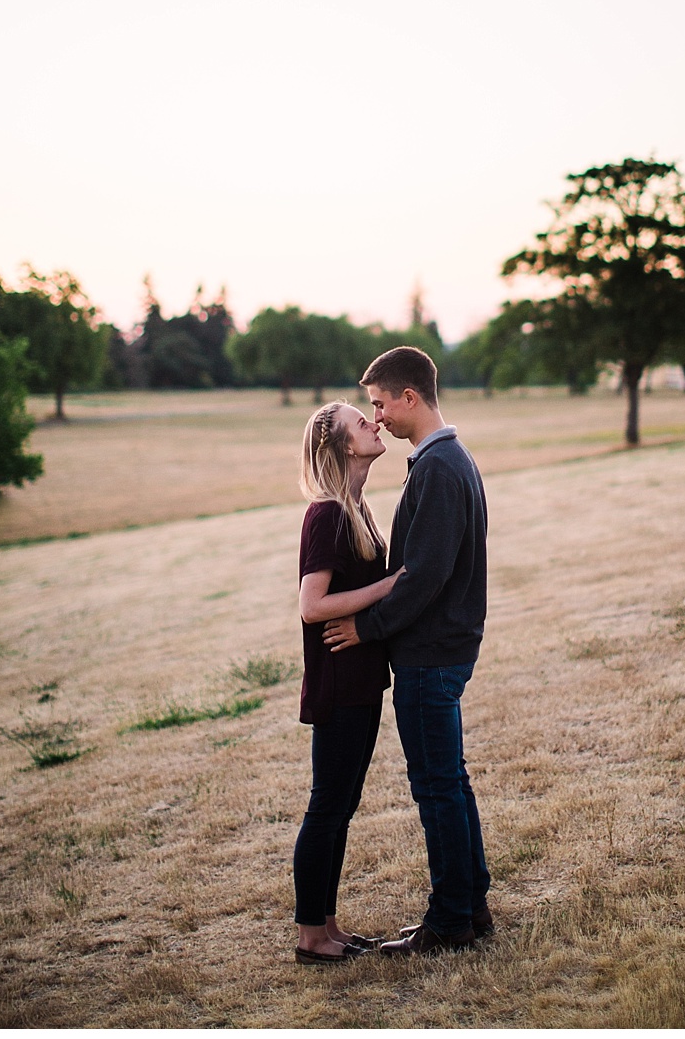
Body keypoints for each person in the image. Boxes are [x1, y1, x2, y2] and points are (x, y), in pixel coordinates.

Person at [323, 346, 492, 956]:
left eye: (379, 403)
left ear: (409, 398)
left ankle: (450, 921)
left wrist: (367, 630)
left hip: (432, 653)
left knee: (437, 788)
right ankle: (471, 906)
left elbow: (423, 576)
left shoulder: (441, 467)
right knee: (452, 783)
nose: (379, 417)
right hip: (440, 647)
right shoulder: (443, 459)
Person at [292, 400, 404, 966]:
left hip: (362, 680)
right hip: (338, 682)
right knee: (328, 806)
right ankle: (311, 936)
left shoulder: (356, 507)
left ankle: (328, 926)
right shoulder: (330, 513)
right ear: (341, 447)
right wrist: (389, 588)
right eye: (361, 422)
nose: (375, 423)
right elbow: (313, 606)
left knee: (342, 805)